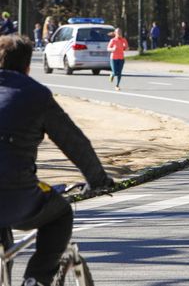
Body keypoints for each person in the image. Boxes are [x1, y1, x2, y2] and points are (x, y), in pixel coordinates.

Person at [0, 35, 114, 286]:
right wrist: (98, 180)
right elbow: (74, 142)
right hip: (17, 195)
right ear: (28, 67)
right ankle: (36, 279)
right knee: (60, 213)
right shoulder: (36, 95)